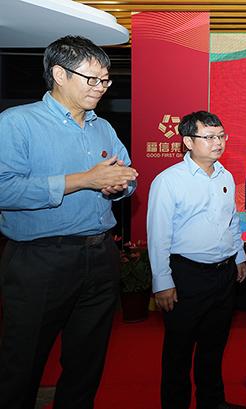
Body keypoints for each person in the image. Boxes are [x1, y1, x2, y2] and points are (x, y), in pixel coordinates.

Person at [0, 35, 138, 409]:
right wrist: (84, 180)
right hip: (39, 260)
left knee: (86, 363)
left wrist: (119, 186)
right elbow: (4, 189)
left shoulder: (103, 127)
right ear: (59, 74)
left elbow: (127, 177)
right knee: (22, 363)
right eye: (92, 79)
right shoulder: (17, 123)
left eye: (105, 80)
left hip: (99, 256)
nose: (101, 88)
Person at [147, 111, 246, 409]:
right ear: (188, 141)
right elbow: (158, 235)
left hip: (223, 274)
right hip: (186, 276)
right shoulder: (168, 181)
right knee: (178, 351)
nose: (218, 143)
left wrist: (239, 257)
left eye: (221, 136)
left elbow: (232, 221)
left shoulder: (225, 176)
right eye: (210, 137)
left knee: (213, 346)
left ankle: (212, 402)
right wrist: (162, 282)